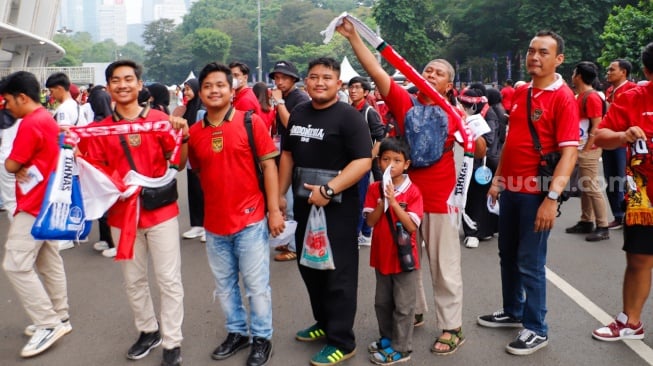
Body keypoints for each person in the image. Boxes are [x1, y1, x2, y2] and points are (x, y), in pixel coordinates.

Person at [338, 18, 486, 356]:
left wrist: (472, 132)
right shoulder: (406, 103)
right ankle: (414, 310)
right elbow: (376, 71)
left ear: (450, 84)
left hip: (441, 198)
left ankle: (452, 327)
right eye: (427, 71)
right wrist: (353, 38)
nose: (430, 75)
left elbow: (478, 152)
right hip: (402, 198)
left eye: (438, 73)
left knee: (444, 266)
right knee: (408, 260)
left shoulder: (455, 112)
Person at [478, 30, 578, 355]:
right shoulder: (521, 93)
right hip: (512, 190)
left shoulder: (563, 98)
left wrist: (551, 199)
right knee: (507, 253)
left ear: (558, 59)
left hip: (538, 192)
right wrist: (498, 179)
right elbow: (511, 141)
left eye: (544, 52)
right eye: (532, 51)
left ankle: (536, 328)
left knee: (530, 261)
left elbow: (569, 154)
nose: (535, 57)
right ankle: (513, 310)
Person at [82, 60, 187, 366]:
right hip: (121, 216)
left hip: (161, 212)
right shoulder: (99, 130)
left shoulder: (158, 119)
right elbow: (95, 170)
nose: (123, 85)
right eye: (116, 80)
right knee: (133, 280)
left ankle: (172, 341)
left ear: (140, 85)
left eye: (129, 79)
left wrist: (183, 132)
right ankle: (148, 330)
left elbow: (176, 161)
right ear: (108, 87)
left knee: (168, 279)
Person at [187, 62, 283, 366]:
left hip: (251, 220)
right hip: (214, 224)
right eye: (208, 86)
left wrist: (274, 210)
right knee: (225, 286)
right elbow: (197, 170)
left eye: (220, 85)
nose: (214, 90)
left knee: (256, 287)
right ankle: (237, 332)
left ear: (232, 90)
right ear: (200, 93)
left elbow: (269, 166)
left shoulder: (250, 122)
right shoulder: (194, 133)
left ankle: (262, 338)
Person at [278, 57, 372, 365]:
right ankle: (324, 322)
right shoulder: (299, 114)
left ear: (338, 84)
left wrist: (330, 190)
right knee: (309, 266)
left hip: (337, 208)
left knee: (338, 273)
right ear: (306, 81)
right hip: (305, 204)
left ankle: (342, 341)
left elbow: (363, 161)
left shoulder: (349, 117)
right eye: (314, 77)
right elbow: (288, 156)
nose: (320, 82)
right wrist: (279, 195)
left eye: (327, 78)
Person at [1, 71, 72, 358]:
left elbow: (11, 164)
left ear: (22, 97)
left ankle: (47, 322)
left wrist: (13, 166)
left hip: (33, 204)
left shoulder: (31, 123)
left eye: (7, 100)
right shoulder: (47, 118)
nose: (6, 106)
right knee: (48, 259)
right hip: (49, 201)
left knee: (16, 264)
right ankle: (60, 315)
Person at [591, 42, 653, 343]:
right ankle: (631, 322)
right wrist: (622, 135)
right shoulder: (632, 99)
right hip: (644, 200)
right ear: (647, 71)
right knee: (638, 260)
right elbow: (600, 136)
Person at [363, 137, 424, 365]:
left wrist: (394, 202)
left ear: (406, 164)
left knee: (404, 305)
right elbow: (370, 222)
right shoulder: (373, 189)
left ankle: (402, 348)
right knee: (382, 302)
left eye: (397, 160)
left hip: (404, 258)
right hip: (381, 256)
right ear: (379, 162)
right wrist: (382, 202)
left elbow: (411, 226)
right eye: (386, 159)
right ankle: (387, 337)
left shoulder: (413, 191)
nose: (391, 165)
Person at [270, 60, 311, 262]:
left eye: (283, 77)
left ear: (293, 79)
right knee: (285, 202)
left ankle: (295, 247)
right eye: (276, 78)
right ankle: (289, 240)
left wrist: (279, 103)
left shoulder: (299, 98)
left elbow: (292, 125)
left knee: (292, 203)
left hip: (296, 157)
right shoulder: (286, 97)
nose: (279, 82)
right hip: (284, 154)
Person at [565, 61, 610, 242]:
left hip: (589, 148)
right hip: (581, 145)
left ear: (579, 76)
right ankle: (586, 221)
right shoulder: (580, 95)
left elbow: (597, 124)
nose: (572, 76)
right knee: (585, 186)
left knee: (592, 187)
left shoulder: (590, 97)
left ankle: (602, 226)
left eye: (574, 73)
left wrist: (587, 147)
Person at [45, 72, 89, 251]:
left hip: (67, 159)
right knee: (76, 196)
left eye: (51, 90)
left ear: (59, 88)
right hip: (76, 158)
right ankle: (80, 231)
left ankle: (68, 236)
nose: (50, 95)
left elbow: (65, 135)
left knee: (66, 196)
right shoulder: (76, 106)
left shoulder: (63, 110)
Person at [460, 87, 501, 248]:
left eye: (465, 104)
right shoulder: (486, 112)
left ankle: (475, 232)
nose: (463, 107)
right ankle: (480, 230)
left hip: (485, 162)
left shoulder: (488, 115)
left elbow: (489, 140)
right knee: (477, 197)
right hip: (479, 161)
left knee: (477, 198)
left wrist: (470, 127)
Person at [348, 76, 385, 247]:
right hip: (349, 161)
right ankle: (363, 232)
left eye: (357, 88)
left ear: (365, 92)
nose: (353, 91)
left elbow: (380, 138)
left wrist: (368, 159)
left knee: (360, 198)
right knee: (354, 197)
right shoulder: (349, 110)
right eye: (351, 87)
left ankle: (359, 233)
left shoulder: (370, 112)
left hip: (362, 163)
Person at [603, 58, 638, 230]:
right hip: (609, 139)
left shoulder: (633, 90)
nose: (608, 72)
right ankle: (618, 215)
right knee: (611, 179)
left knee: (625, 179)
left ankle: (628, 214)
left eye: (612, 69)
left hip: (625, 143)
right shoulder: (610, 90)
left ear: (623, 72)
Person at [84, 86, 119, 258]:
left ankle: (113, 241)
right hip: (112, 171)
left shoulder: (94, 126)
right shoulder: (114, 121)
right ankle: (108, 239)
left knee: (106, 207)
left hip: (100, 171)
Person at [178, 78, 207, 243]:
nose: (186, 93)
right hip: (189, 155)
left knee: (204, 191)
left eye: (189, 89)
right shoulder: (188, 108)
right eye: (185, 89)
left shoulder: (201, 110)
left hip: (199, 156)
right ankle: (197, 224)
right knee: (193, 190)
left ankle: (207, 225)